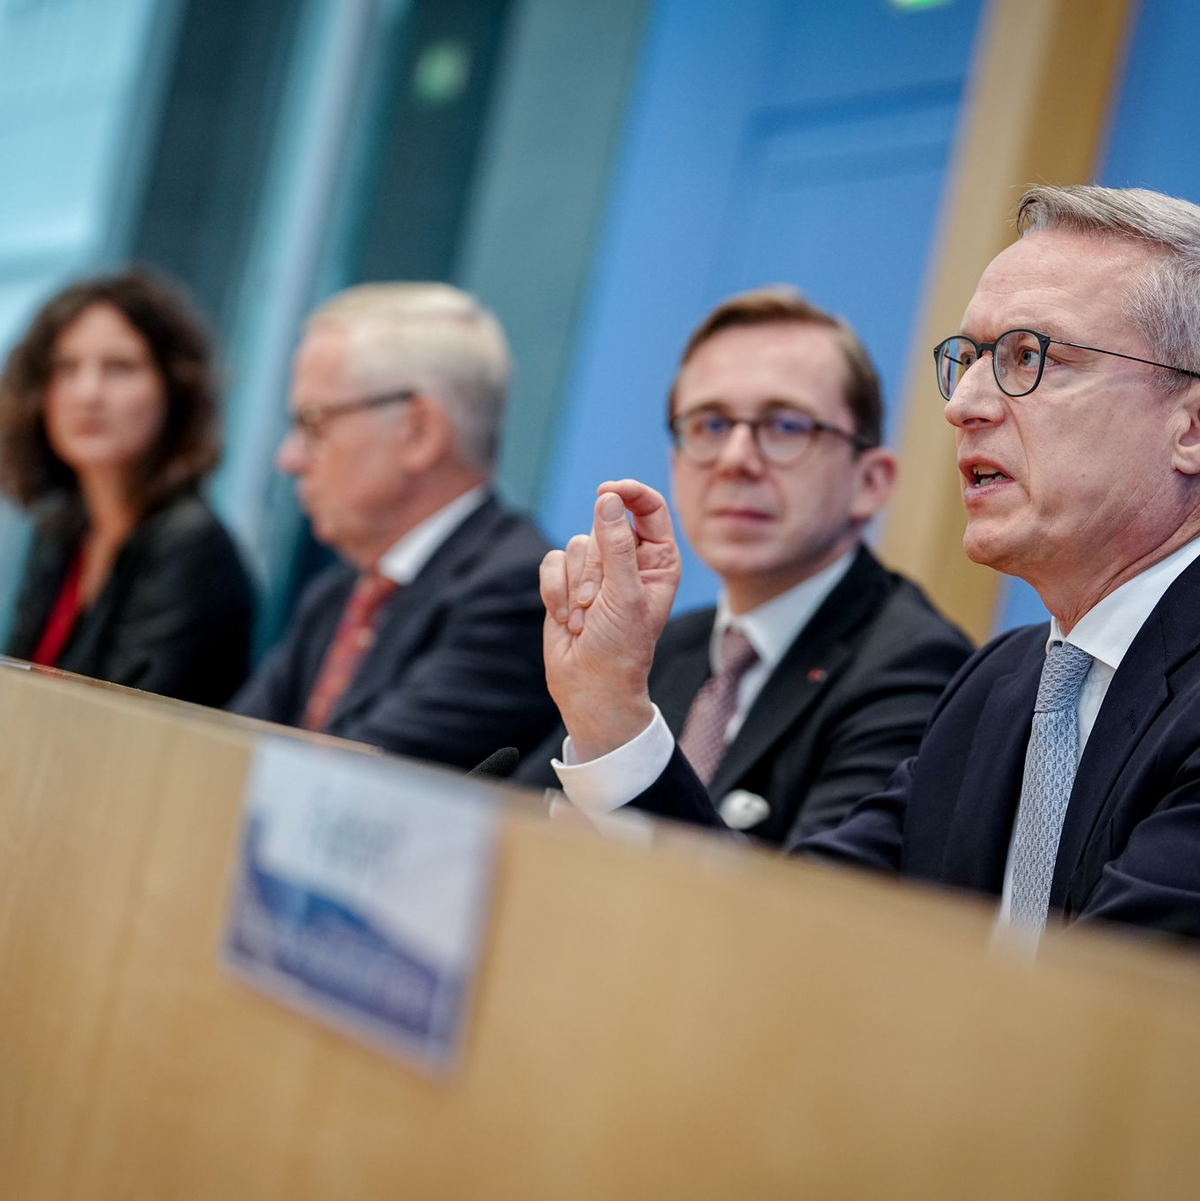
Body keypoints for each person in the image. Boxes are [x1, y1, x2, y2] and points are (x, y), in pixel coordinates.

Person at [542, 184, 1200, 943]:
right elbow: (783, 941)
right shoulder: (997, 689)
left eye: (1029, 357)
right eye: (971, 359)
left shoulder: (928, 665)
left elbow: (1098, 1039)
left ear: (1190, 427)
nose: (965, 406)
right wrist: (607, 710)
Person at [517, 287, 970, 848]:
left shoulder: (917, 669)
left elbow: (792, 920)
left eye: (786, 427)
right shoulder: (667, 647)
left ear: (869, 482)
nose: (734, 461)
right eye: (709, 425)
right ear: (674, 463)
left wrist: (613, 719)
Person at [231, 282, 558, 769]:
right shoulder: (339, 594)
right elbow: (222, 754)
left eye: (313, 423)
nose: (289, 458)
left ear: (419, 432)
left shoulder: (517, 596)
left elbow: (352, 784)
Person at [0, 269, 255, 705]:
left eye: (120, 368)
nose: (89, 393)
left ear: (174, 390)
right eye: (66, 368)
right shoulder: (64, 532)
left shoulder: (191, 548)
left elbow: (121, 733)